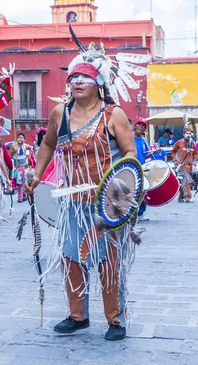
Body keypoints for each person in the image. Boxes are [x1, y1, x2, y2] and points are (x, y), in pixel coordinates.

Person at [26, 42, 138, 341]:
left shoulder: (113, 115)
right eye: (73, 77)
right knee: (71, 258)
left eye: (85, 77)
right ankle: (77, 316)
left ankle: (116, 319)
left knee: (109, 261)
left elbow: (130, 155)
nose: (77, 81)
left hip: (108, 204)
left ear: (99, 82)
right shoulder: (60, 113)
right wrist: (37, 175)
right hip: (71, 202)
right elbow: (48, 144)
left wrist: (122, 194)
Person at [132, 117, 157, 221]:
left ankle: (140, 213)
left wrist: (154, 152)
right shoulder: (129, 138)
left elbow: (145, 155)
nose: (141, 127)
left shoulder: (144, 141)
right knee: (133, 192)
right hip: (132, 168)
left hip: (142, 168)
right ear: (135, 126)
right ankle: (132, 213)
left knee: (144, 191)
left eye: (143, 126)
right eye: (139, 125)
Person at [172, 128, 198, 202]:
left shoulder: (192, 143)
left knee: (184, 181)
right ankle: (188, 197)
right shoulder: (179, 142)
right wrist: (175, 160)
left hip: (189, 166)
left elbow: (195, 154)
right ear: (183, 134)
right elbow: (173, 152)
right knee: (186, 180)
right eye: (187, 133)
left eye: (190, 134)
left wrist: (195, 161)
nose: (188, 135)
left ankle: (180, 197)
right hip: (181, 165)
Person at [9, 133, 33, 202]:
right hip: (17, 167)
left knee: (25, 181)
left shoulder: (26, 146)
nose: (20, 139)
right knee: (19, 183)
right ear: (17, 139)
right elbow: (9, 155)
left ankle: (24, 195)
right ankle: (20, 197)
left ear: (24, 140)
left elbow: (31, 149)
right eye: (19, 137)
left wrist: (28, 155)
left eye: (22, 138)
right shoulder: (13, 146)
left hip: (24, 167)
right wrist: (14, 151)